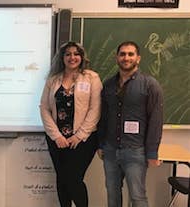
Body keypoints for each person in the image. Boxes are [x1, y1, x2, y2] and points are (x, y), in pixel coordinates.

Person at [97, 41, 163, 207]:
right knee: (112, 195)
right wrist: (101, 144)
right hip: (110, 150)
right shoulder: (108, 85)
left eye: (130, 54)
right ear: (117, 58)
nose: (126, 58)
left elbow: (156, 120)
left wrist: (152, 152)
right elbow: (103, 116)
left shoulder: (150, 85)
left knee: (137, 197)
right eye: (122, 54)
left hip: (135, 151)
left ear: (138, 58)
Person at [40, 41, 102, 207]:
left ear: (81, 57)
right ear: (62, 57)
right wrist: (56, 136)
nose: (72, 57)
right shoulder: (53, 80)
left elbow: (95, 109)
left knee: (73, 179)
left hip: (83, 140)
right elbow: (44, 108)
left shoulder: (92, 78)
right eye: (68, 54)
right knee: (61, 179)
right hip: (57, 140)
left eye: (76, 54)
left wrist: (79, 135)